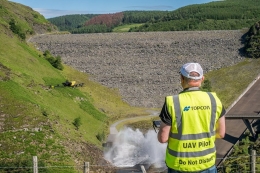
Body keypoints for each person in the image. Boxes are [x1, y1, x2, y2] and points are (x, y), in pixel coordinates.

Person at [157, 62, 226, 173]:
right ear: (202, 78)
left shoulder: (172, 102)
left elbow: (163, 138)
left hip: (179, 166)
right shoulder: (214, 99)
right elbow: (221, 133)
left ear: (182, 78)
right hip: (207, 164)